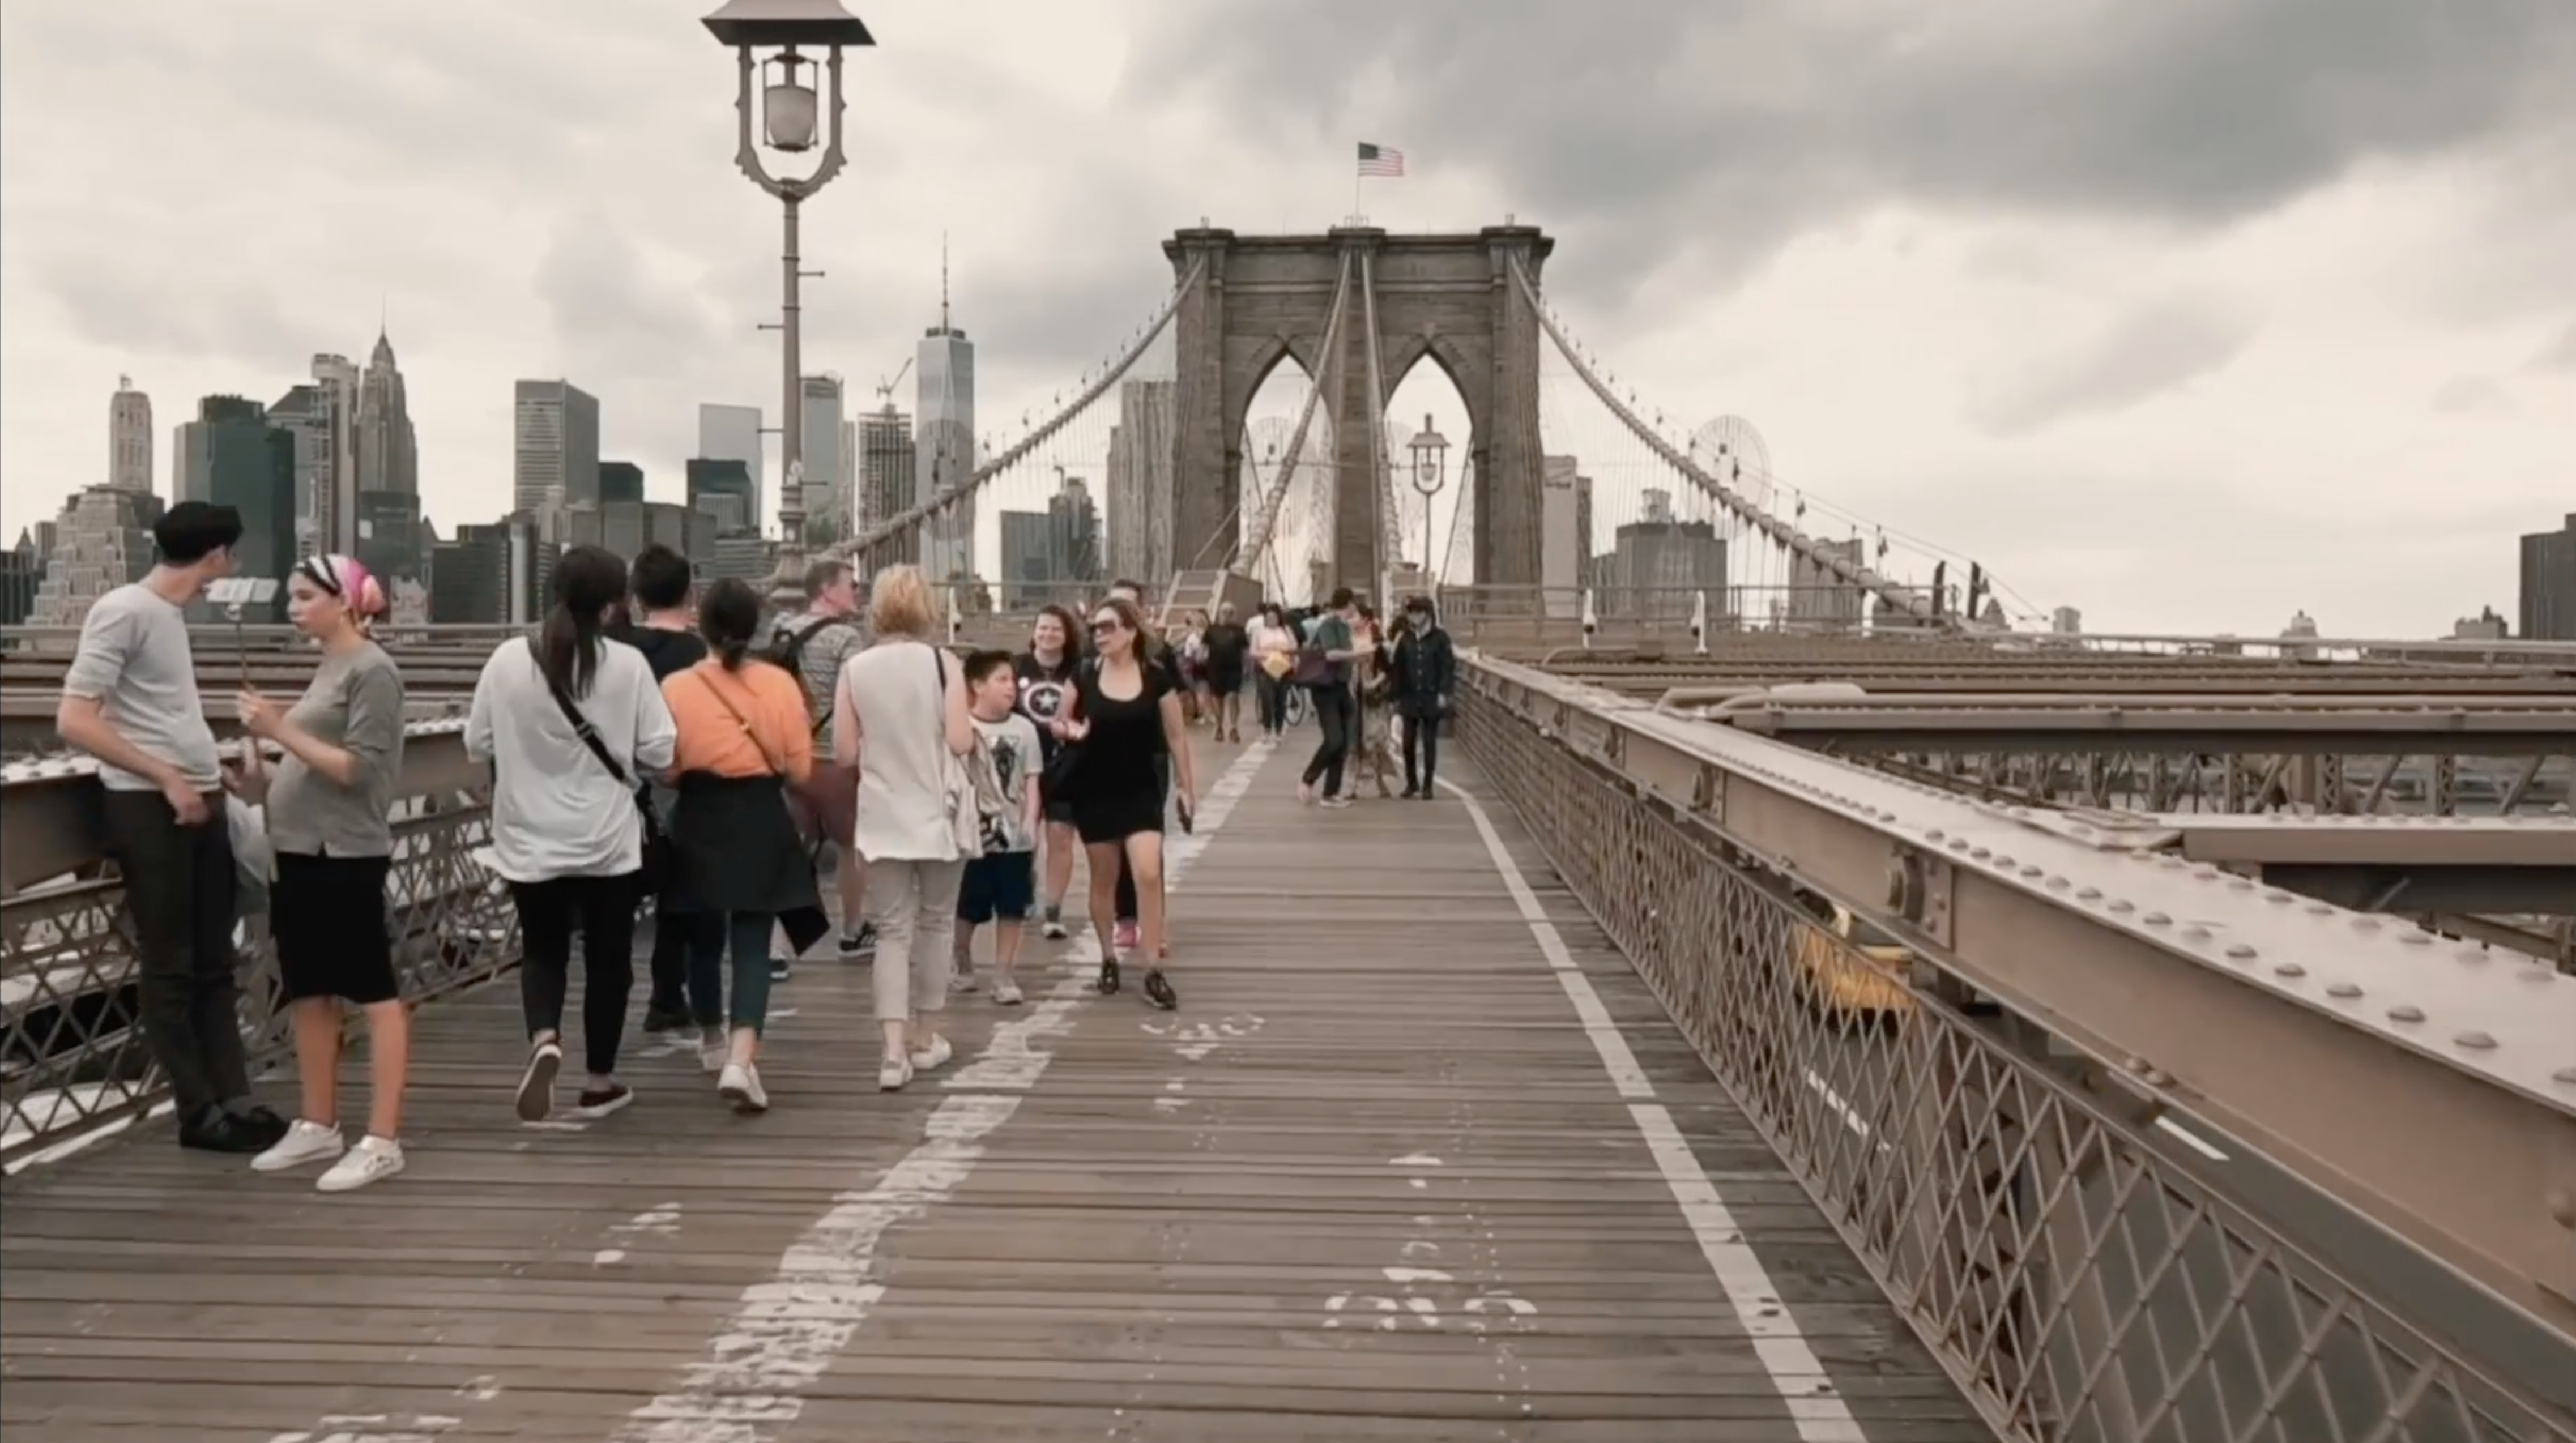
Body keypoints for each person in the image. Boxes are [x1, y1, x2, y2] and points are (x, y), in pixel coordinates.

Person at [55, 501, 289, 1155]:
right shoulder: (125, 610)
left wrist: (207, 770)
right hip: (149, 806)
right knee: (172, 965)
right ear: (217, 556)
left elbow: (151, 711)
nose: (231, 567)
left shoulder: (166, 616)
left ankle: (233, 1098)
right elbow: (75, 718)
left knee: (216, 959)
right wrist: (166, 776)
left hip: (199, 797)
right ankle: (198, 1112)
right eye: (230, 555)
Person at [466, 545, 676, 1123]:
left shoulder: (508, 659)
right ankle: (600, 1079)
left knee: (543, 949)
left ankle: (544, 1038)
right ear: (615, 603)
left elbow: (477, 742)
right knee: (609, 959)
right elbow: (660, 750)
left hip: (527, 835)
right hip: (606, 839)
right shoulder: (629, 665)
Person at [225, 554, 411, 1189]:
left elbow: (359, 770)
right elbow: (312, 767)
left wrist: (278, 726)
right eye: (291, 596)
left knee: (374, 991)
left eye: (305, 595)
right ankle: (318, 1121)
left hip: (345, 850)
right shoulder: (329, 666)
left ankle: (383, 1137)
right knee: (307, 986)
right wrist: (262, 778)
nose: (293, 606)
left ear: (344, 600)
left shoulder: (373, 671)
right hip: (297, 847)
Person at [662, 578, 818, 1114]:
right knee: (753, 940)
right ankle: (740, 1058)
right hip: (759, 815)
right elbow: (799, 769)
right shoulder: (779, 685)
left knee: (701, 936)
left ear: (700, 625)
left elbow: (667, 769)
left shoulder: (676, 688)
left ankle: (710, 1040)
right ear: (754, 628)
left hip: (699, 816)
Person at [834, 565, 974, 1091]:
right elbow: (960, 741)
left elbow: (846, 752)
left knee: (892, 932)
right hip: (937, 816)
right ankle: (926, 1036)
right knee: (937, 925)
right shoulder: (944, 664)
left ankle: (892, 1054)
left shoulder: (857, 667)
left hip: (882, 816)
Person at [1054, 596, 1196, 1009]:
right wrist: (1069, 730)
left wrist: (1188, 787)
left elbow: (1176, 735)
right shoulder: (1082, 675)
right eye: (1096, 628)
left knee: (1148, 872)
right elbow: (1061, 722)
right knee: (1105, 878)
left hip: (1140, 789)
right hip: (1094, 789)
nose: (1100, 634)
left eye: (1109, 627)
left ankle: (1153, 968)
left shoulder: (1155, 678)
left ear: (1132, 632)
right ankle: (1108, 958)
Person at [767, 558, 871, 979]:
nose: (858, 592)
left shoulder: (781, 630)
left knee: (790, 849)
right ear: (827, 590)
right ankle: (852, 931)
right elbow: (856, 697)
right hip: (831, 758)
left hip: (788, 758)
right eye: (852, 585)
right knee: (852, 845)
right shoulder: (847, 638)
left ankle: (776, 949)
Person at [624, 545, 713, 1036]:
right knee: (686, 900)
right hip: (686, 790)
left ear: (636, 598)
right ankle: (673, 996)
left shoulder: (619, 653)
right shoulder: (702, 655)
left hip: (624, 795)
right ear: (690, 593)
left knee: (618, 902)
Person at [955, 650, 1044, 1006]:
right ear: (977, 685)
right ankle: (961, 959)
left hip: (1014, 836)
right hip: (972, 835)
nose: (1010, 687)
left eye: (1012, 680)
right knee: (968, 906)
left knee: (1012, 906)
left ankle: (1004, 973)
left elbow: (1032, 780)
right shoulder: (962, 727)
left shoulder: (1024, 729)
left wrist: (1031, 822)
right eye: (1001, 680)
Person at [1103, 579, 1173, 956]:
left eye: (1128, 608)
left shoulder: (1160, 657)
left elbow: (1177, 717)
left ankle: (1154, 924)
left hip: (1150, 760)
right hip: (1106, 763)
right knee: (1113, 844)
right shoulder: (1092, 656)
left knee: (1148, 847)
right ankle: (1125, 918)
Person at [1014, 605, 1083, 940]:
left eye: (1056, 629)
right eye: (1042, 628)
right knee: (1023, 836)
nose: (1048, 634)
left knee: (1060, 837)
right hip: (1019, 768)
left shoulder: (1079, 671)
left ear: (1067, 634)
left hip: (1064, 767)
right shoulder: (1016, 667)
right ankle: (1023, 891)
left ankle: (1053, 910)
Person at [1296, 588, 1367, 809]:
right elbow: (1330, 654)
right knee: (1334, 739)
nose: (1355, 608)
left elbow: (1348, 654)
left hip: (1342, 688)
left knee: (1344, 742)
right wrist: (1354, 655)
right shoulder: (1329, 624)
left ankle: (1330, 793)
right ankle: (1308, 779)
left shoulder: (1348, 627)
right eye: (1353, 603)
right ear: (1349, 603)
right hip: (1326, 689)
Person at [1390, 595, 1456, 799]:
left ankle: (1428, 784)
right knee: (1408, 741)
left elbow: (1447, 666)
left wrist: (1444, 692)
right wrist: (1395, 695)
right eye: (1411, 612)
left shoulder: (1440, 638)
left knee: (1429, 741)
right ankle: (1412, 783)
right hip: (1410, 696)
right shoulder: (1405, 638)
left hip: (1431, 696)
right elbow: (1398, 668)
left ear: (1427, 614)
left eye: (1418, 612)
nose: (1414, 617)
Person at [1344, 601, 1394, 800]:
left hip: (1372, 701)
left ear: (1365, 619)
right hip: (1351, 698)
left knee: (1375, 742)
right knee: (1353, 743)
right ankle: (1352, 785)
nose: (1351, 620)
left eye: (1354, 616)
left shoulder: (1376, 643)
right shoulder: (1346, 642)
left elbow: (1387, 671)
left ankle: (1380, 781)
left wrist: (1373, 684)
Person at [1200, 602, 1251, 743]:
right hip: (1215, 669)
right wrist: (1201, 656)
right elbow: (1203, 646)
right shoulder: (1212, 630)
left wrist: (1247, 667)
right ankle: (1219, 727)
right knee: (1217, 699)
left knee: (1233, 696)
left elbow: (1245, 651)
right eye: (1224, 612)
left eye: (1230, 612)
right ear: (1219, 613)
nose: (1227, 615)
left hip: (1234, 668)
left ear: (1234, 614)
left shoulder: (1239, 630)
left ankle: (1234, 727)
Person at [1248, 603, 1297, 737]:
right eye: (1268, 618)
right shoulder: (1260, 632)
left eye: (1274, 617)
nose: (1271, 620)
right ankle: (1267, 727)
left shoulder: (1286, 630)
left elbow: (1294, 647)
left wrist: (1285, 652)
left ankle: (1279, 728)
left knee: (1281, 700)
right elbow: (1253, 651)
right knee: (1267, 699)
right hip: (1266, 669)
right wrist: (1269, 655)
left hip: (1284, 668)